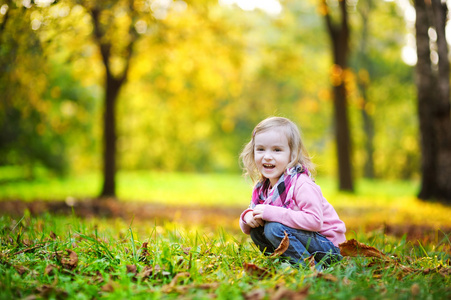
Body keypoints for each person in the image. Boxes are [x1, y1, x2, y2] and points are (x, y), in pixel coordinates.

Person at [239, 117, 346, 268]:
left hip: (329, 247)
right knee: (257, 231)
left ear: (292, 154)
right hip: (305, 242)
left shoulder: (301, 184)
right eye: (261, 149)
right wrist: (248, 217)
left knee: (273, 228)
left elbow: (315, 221)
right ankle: (285, 263)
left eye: (277, 150)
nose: (267, 156)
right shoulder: (263, 187)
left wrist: (272, 213)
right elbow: (252, 218)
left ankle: (312, 268)